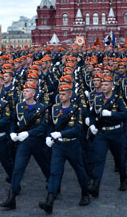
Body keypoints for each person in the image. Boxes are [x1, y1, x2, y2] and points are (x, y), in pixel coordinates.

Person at [39, 83, 90, 214]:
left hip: (72, 145)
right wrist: (49, 137)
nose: (61, 96)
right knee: (54, 171)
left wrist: (61, 133)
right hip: (59, 145)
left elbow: (78, 129)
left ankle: (85, 193)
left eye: (63, 94)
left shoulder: (76, 109)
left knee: (79, 170)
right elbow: (50, 125)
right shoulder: (54, 108)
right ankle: (49, 200)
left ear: (70, 94)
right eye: (60, 94)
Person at [1, 82, 50, 210]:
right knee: (18, 168)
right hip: (24, 143)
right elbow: (13, 121)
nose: (24, 93)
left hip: (37, 142)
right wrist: (12, 132)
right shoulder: (19, 106)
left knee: (45, 166)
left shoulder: (42, 107)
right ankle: (12, 196)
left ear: (33, 93)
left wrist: (28, 133)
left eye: (27, 91)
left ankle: (53, 187)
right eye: (24, 91)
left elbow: (43, 127)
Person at [88, 76, 127, 198]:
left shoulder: (118, 99)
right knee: (99, 158)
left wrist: (112, 114)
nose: (104, 87)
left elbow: (126, 114)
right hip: (102, 133)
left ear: (112, 86)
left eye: (106, 85)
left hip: (115, 132)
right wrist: (91, 125)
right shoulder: (98, 99)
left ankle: (123, 179)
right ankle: (96, 185)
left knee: (119, 159)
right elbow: (92, 115)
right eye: (102, 85)